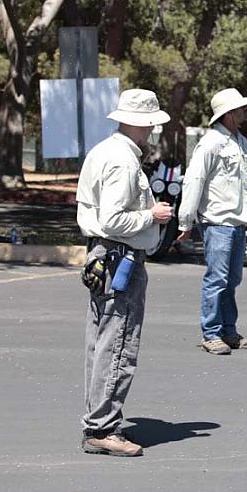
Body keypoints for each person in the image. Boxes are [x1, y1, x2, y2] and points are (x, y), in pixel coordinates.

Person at [76, 88, 173, 457]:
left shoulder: (103, 151)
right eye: (149, 125)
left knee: (100, 340)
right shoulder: (123, 161)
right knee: (118, 342)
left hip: (104, 255)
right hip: (121, 256)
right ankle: (103, 427)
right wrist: (152, 215)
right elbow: (113, 219)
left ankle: (97, 420)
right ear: (141, 124)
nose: (150, 133)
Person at [177, 88, 247, 355]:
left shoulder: (240, 141)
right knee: (218, 278)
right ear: (228, 114)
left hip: (236, 221)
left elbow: (244, 185)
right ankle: (211, 333)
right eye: (240, 110)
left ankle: (228, 330)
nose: (244, 114)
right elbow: (194, 180)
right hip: (217, 221)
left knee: (232, 279)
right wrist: (185, 221)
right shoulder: (211, 143)